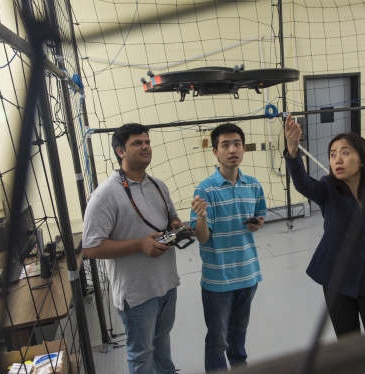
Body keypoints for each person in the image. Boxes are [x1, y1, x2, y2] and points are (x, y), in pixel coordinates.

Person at [283, 114, 365, 338]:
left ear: (362, 159)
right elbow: (302, 183)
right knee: (348, 343)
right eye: (332, 155)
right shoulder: (327, 188)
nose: (337, 159)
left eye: (345, 153)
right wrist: (293, 152)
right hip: (336, 277)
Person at [83, 123, 182, 374]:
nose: (145, 146)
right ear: (120, 151)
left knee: (163, 343)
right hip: (136, 293)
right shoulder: (105, 195)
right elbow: (92, 248)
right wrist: (139, 244)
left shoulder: (159, 185)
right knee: (141, 355)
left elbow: (170, 217)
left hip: (166, 283)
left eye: (147, 141)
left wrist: (176, 225)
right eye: (137, 143)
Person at [190, 123, 266, 372]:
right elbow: (202, 237)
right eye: (225, 145)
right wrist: (201, 217)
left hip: (248, 275)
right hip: (218, 280)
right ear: (215, 151)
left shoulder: (253, 185)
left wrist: (258, 223)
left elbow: (260, 215)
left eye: (237, 144)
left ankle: (239, 365)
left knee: (238, 332)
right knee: (217, 340)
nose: (232, 149)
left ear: (243, 148)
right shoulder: (205, 189)